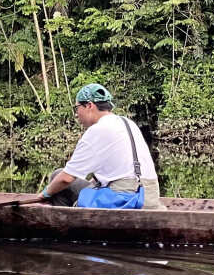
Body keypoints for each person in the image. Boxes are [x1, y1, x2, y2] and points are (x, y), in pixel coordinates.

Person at [28, 83, 163, 210]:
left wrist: (45, 194)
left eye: (77, 108)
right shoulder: (127, 122)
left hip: (127, 199)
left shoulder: (97, 130)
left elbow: (66, 178)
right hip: (150, 196)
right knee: (73, 183)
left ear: (89, 106)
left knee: (58, 177)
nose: (76, 114)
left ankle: (66, 223)